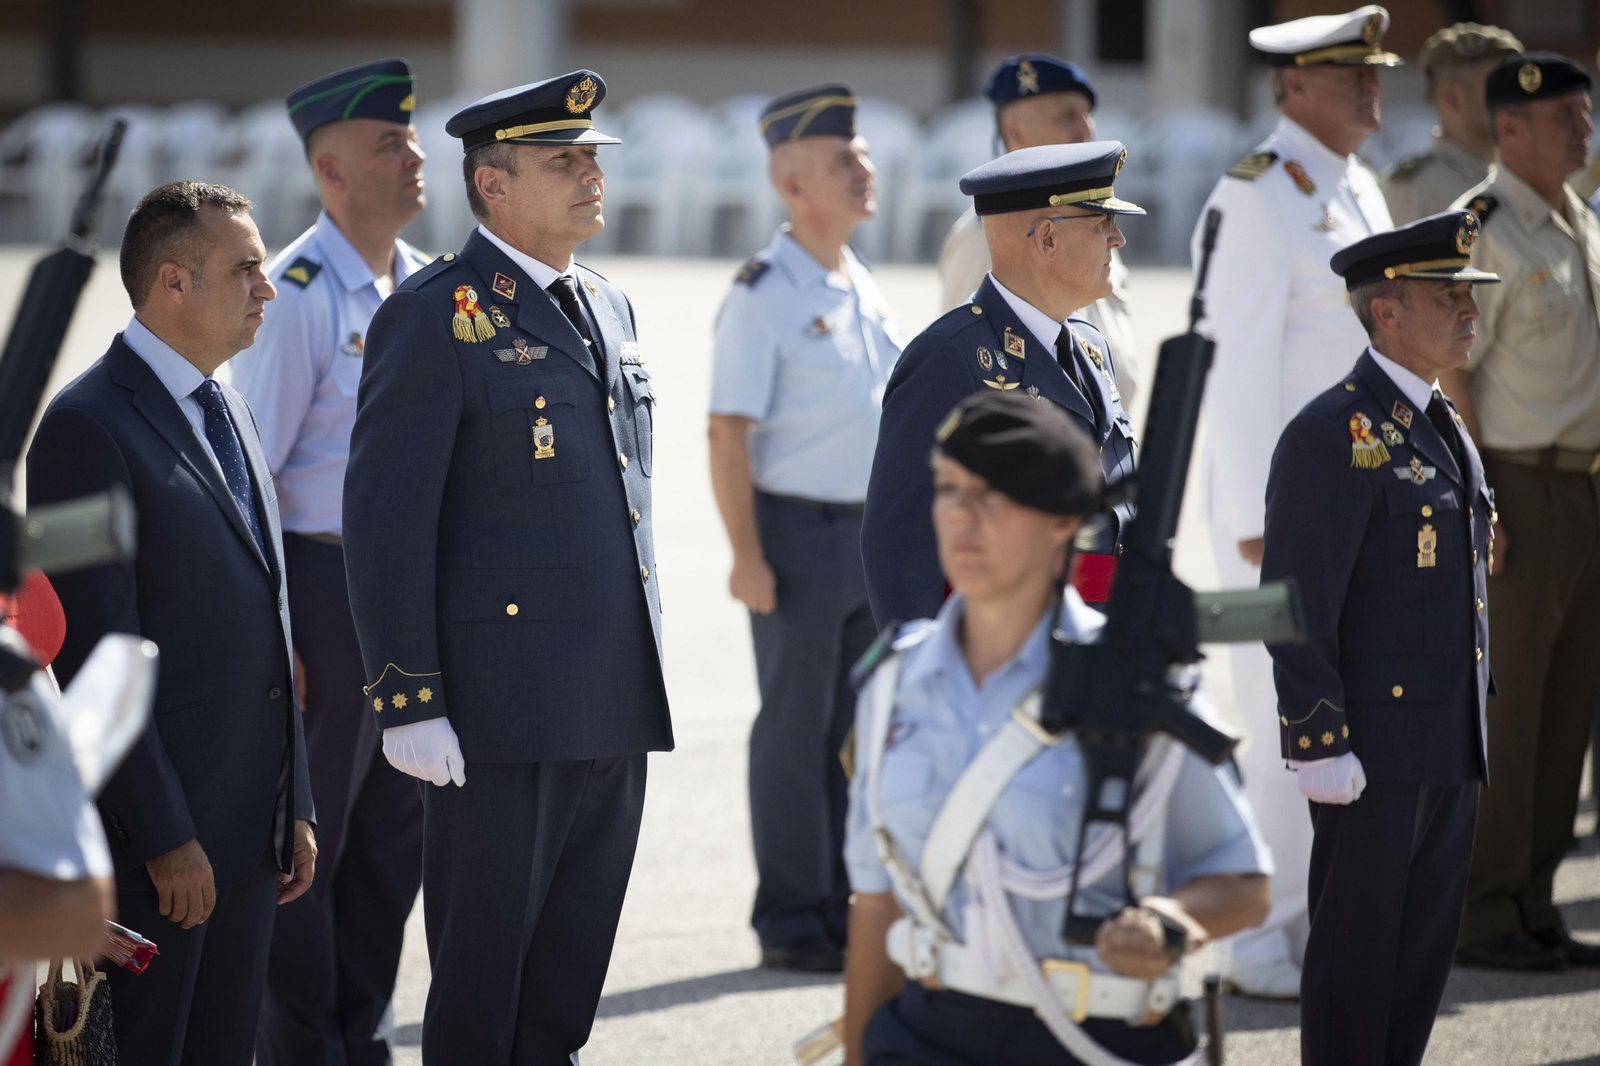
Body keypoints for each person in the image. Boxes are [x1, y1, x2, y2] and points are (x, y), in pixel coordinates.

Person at [342, 70, 672, 1064]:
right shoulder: (436, 315)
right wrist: (406, 699)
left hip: (609, 693)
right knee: (484, 985)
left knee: (567, 982)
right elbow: (384, 522)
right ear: (492, 185)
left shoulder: (606, 303)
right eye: (562, 162)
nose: (589, 177)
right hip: (499, 711)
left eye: (592, 160)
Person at [842, 391, 1272, 1066]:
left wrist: (1170, 921)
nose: (960, 516)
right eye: (948, 490)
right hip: (925, 1035)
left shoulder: (1142, 685)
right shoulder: (893, 684)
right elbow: (876, 904)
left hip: (1091, 1039)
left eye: (992, 496)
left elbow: (1243, 884)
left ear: (1063, 521)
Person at [26, 181, 316, 1066]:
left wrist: (291, 803)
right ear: (172, 284)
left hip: (247, 833)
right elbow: (89, 660)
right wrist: (165, 838)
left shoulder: (226, 402)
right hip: (163, 849)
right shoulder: (79, 430)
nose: (268, 289)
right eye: (246, 270)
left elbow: (268, 618)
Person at [1189, 4, 1398, 1000]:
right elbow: (1227, 370)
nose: (1371, 89)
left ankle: (1323, 916)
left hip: (1362, 506)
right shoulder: (1256, 197)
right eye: (1349, 75)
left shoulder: (1356, 186)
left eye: (1373, 74)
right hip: (1277, 518)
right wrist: (1250, 520)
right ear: (1290, 88)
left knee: (1345, 714)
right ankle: (1257, 936)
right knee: (1282, 714)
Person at [227, 59, 431, 1066]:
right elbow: (249, 478)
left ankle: (363, 1029)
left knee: (398, 835)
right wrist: (274, 637)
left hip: (408, 595)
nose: (417, 152)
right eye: (391, 142)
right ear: (332, 171)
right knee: (313, 842)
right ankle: (301, 1045)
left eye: (412, 135)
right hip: (320, 587)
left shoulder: (429, 284)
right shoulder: (300, 294)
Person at [1262, 210, 1499, 1066]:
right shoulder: (1333, 434)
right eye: (1449, 296)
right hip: (1373, 751)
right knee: (1355, 969)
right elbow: (1292, 604)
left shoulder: (1443, 425)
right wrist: (1317, 739)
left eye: (1471, 295)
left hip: (1446, 741)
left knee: (1417, 968)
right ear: (1386, 311)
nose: (1470, 311)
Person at [707, 85, 902, 973]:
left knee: (855, 732)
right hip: (794, 536)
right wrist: (746, 554)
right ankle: (791, 918)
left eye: (861, 155)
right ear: (792, 181)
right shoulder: (762, 291)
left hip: (868, 539)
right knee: (794, 734)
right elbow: (727, 431)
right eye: (842, 161)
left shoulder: (859, 278)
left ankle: (837, 904)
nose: (865, 170)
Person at [1444, 52, 1600, 971]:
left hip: (1583, 485)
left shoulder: (1578, 221)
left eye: (1586, 114)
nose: (1585, 130)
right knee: (1512, 709)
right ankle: (1484, 912)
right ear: (1510, 130)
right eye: (1567, 118)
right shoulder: (1485, 227)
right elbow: (1454, 370)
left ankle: (1535, 899)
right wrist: (1478, 494)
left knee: (1568, 709)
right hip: (1520, 488)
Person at [862, 142, 1140, 626]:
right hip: (1006, 653)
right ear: (1047, 239)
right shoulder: (949, 358)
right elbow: (899, 547)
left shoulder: (1091, 348)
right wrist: (935, 681)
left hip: (1100, 643)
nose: (1116, 239)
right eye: (1101, 223)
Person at [935, 55, 1139, 407]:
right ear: (1015, 133)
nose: (1085, 130)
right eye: (1066, 117)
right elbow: (967, 364)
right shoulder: (983, 238)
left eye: (1087, 115)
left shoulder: (1087, 221)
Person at [1379, 23, 1522, 225]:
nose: (1515, 100)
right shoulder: (1412, 188)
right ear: (1451, 97)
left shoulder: (1516, 178)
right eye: (1499, 86)